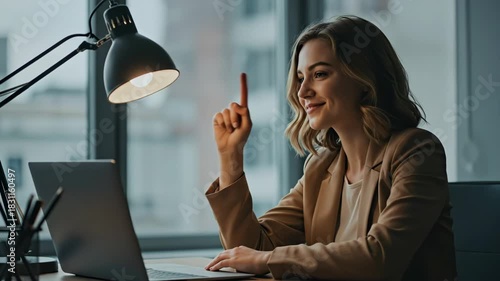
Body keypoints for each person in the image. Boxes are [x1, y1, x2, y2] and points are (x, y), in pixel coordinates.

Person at [204, 15, 457, 281]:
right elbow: (250, 250)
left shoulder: (416, 151)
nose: (302, 92)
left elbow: (381, 258)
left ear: (363, 78)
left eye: (320, 74)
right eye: (301, 78)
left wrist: (268, 259)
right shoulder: (321, 166)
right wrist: (231, 158)